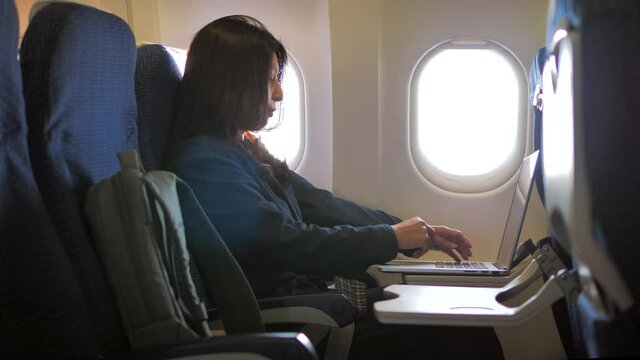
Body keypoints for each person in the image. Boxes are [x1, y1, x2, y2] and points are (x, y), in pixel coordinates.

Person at [169, 15, 503, 360]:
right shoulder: (206, 164)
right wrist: (390, 238)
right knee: (459, 332)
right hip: (295, 321)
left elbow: (321, 205)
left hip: (312, 303)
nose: (280, 93)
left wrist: (412, 232)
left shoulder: (243, 148)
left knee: (459, 318)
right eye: (269, 80)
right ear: (230, 83)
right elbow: (289, 242)